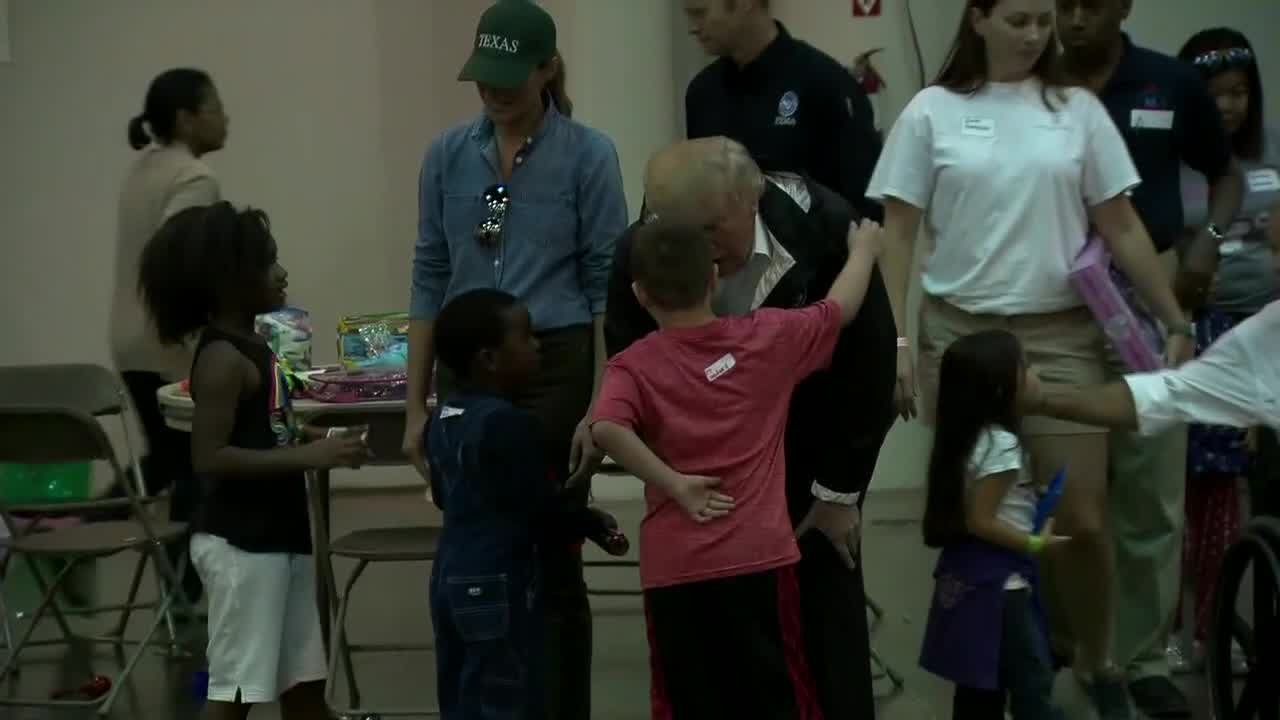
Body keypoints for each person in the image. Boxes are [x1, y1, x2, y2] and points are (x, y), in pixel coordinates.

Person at [867, 1, 1192, 717]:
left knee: (1084, 514)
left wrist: (1172, 318)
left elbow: (1122, 224)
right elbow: (897, 234)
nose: (1034, 33)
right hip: (960, 336)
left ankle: (1100, 660)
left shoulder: (1076, 109)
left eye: (1040, 20)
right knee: (978, 516)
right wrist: (896, 340)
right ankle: (987, 671)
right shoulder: (932, 111)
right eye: (1016, 19)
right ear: (977, 19)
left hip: (1062, 336)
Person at [604, 137, 897, 718]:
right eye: (687, 234)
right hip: (696, 503)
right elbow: (624, 362)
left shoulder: (823, 224)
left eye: (714, 230)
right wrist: (675, 475)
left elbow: (867, 365)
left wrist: (839, 492)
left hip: (809, 463)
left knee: (817, 635)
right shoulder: (648, 246)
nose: (704, 252)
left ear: (753, 195)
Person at [402, 2, 629, 717]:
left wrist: (602, 400)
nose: (494, 92)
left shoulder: (587, 154)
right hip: (466, 364)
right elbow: (429, 274)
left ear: (547, 69)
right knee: (475, 539)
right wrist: (416, 405)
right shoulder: (448, 155)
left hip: (550, 361)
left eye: (510, 77)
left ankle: (561, 706)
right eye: (484, 78)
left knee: (552, 540)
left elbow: (605, 285)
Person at [1056, 2, 1246, 714]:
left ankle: (1141, 656)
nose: (1074, 20)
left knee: (1151, 481)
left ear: (1124, 4)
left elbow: (1225, 175)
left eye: (1091, 4)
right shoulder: (1036, 82)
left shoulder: (1167, 83)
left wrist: (1209, 242)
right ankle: (1076, 644)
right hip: (1058, 298)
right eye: (1061, 5)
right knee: (1066, 482)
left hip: (1149, 284)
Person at [137, 202, 368, 720]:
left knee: (304, 688)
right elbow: (211, 457)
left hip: (278, 539)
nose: (282, 274)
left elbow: (268, 430)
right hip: (242, 547)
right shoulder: (222, 359)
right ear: (228, 282)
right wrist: (311, 454)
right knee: (235, 693)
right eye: (270, 264)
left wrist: (320, 437)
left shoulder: (256, 348)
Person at [1172, 27, 1280, 667]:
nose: (1229, 106)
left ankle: (1227, 627)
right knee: (1199, 486)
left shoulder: (1272, 150)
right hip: (1203, 327)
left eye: (1240, 93)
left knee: (1249, 493)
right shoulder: (1174, 161)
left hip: (1268, 322)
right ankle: (1180, 628)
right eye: (1214, 95)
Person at [109, 67, 229, 606]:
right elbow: (179, 258)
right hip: (171, 343)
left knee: (168, 459)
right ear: (186, 117)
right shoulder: (194, 179)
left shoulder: (144, 169)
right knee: (191, 467)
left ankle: (65, 526)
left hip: (129, 337)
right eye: (215, 106)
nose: (226, 117)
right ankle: (186, 593)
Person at [918, 330, 1066, 720]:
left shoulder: (967, 438)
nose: (1035, 373)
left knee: (979, 687)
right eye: (1026, 366)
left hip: (966, 575)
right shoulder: (1002, 444)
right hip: (1000, 585)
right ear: (1001, 388)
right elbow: (980, 520)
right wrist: (1034, 544)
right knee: (1032, 680)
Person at [681, 0, 884, 221]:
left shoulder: (826, 84)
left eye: (699, 13)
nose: (692, 27)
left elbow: (866, 209)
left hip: (818, 250)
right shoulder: (702, 93)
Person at [1032, 299, 1279, 437]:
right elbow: (1167, 394)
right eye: (1275, 252)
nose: (1275, 265)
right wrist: (1038, 397)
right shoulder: (1267, 333)